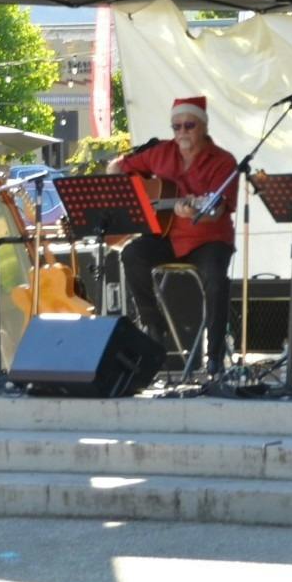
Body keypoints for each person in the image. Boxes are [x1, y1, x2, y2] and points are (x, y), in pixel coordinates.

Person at [109, 96, 239, 374]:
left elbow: (217, 210)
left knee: (216, 279)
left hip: (208, 238)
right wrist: (135, 188)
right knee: (132, 254)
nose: (181, 132)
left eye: (189, 126)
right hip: (166, 235)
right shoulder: (162, 152)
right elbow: (118, 168)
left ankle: (215, 355)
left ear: (203, 126)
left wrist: (195, 212)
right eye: (176, 127)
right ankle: (154, 328)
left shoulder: (223, 161)